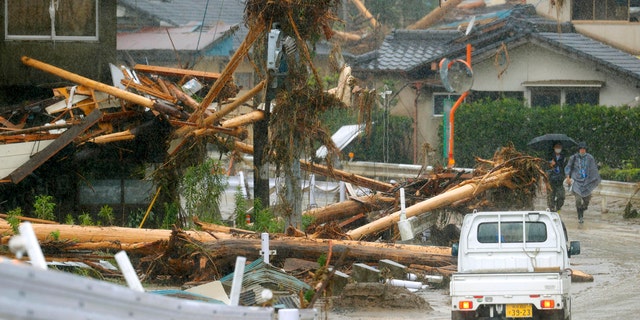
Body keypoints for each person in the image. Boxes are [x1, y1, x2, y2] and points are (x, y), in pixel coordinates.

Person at [565, 141, 601, 223]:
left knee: (586, 200)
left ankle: (583, 208)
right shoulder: (573, 158)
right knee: (578, 200)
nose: (582, 150)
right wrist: (568, 177)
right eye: (581, 149)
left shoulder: (590, 158)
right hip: (576, 181)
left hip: (586, 182)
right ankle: (580, 216)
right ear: (578, 150)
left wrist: (594, 179)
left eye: (584, 149)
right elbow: (568, 168)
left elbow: (593, 169)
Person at [547, 142, 567, 212]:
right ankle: (551, 210)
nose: (558, 148)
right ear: (554, 148)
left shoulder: (564, 157)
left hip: (560, 180)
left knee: (561, 196)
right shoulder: (549, 156)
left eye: (559, 147)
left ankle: (558, 208)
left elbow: (565, 167)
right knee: (550, 197)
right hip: (551, 180)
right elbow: (545, 167)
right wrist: (550, 165)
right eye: (556, 147)